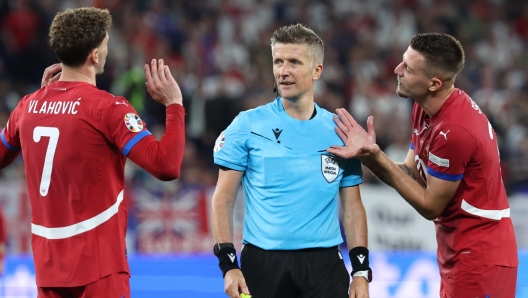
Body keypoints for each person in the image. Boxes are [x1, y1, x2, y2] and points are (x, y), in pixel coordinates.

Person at [0, 7, 185, 297]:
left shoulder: (27, 107)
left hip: (48, 270)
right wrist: (174, 104)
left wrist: (43, 100)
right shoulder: (108, 108)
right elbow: (166, 165)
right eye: (106, 44)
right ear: (95, 55)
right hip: (99, 268)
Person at [328, 33, 518, 298]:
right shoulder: (425, 108)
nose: (396, 70)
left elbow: (430, 205)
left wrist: (375, 157)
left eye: (407, 68)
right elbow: (411, 173)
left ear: (434, 83)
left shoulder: (454, 131)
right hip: (456, 252)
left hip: (481, 258)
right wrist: (367, 157)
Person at [211, 24, 370, 298]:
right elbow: (223, 198)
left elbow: (353, 205)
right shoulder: (246, 125)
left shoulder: (341, 131)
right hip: (262, 265)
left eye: (294, 62)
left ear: (317, 70)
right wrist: (228, 264)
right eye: (278, 62)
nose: (283, 71)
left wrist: (360, 272)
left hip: (325, 267)